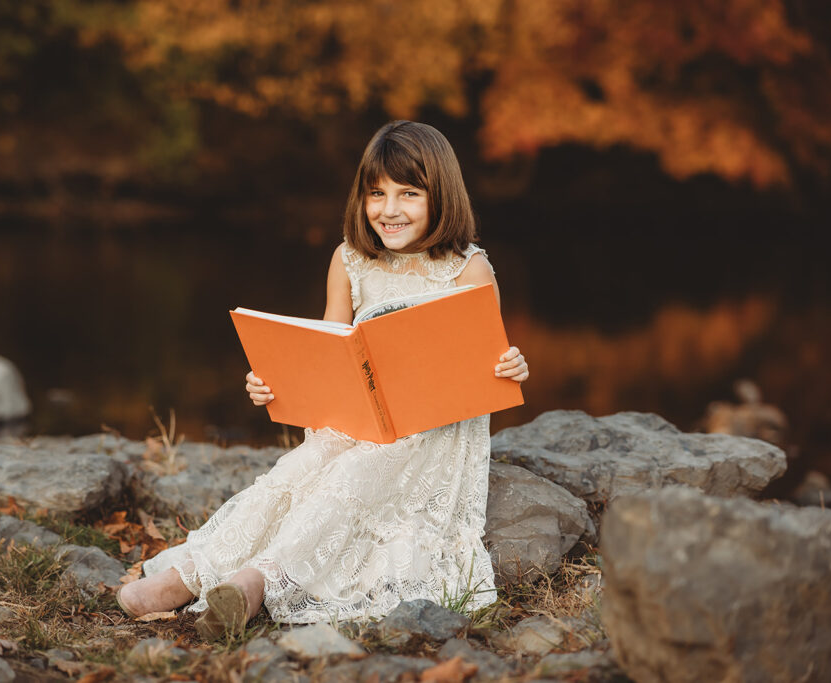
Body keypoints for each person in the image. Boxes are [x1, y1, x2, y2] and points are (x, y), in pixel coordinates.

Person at [117, 120, 530, 640]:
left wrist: (512, 365)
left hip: (432, 431)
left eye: (409, 194)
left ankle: (257, 583)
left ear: (441, 196)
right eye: (376, 194)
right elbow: (329, 351)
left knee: (348, 483)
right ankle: (190, 574)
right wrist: (275, 384)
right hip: (361, 419)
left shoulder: (467, 270)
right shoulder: (351, 259)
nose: (389, 210)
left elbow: (488, 362)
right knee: (297, 475)